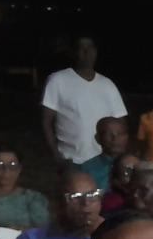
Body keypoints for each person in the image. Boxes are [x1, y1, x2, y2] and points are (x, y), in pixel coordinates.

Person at [40, 36, 127, 168]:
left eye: (90, 48)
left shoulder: (107, 85)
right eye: (82, 48)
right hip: (72, 160)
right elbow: (46, 121)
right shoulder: (57, 80)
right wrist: (55, 154)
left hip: (105, 160)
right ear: (73, 53)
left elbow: (121, 122)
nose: (87, 52)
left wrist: (120, 153)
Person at [0, 144, 49, 230]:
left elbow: (43, 231)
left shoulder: (32, 199)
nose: (6, 170)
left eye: (12, 165)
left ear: (19, 169)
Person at [83, 115, 131, 193]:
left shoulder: (136, 165)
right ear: (98, 138)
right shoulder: (86, 169)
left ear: (127, 137)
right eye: (108, 134)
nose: (115, 138)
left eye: (120, 134)